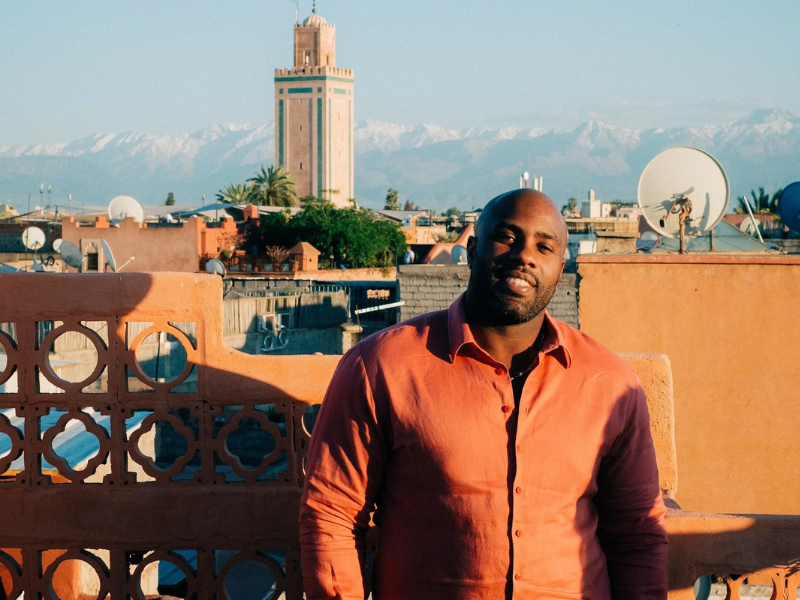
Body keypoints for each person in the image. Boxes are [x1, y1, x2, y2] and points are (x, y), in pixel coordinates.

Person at [300, 189, 668, 599]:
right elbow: (331, 514)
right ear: (472, 250)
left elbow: (637, 534)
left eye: (543, 247)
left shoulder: (610, 382)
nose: (524, 255)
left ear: (560, 268)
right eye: (507, 238)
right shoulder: (381, 366)